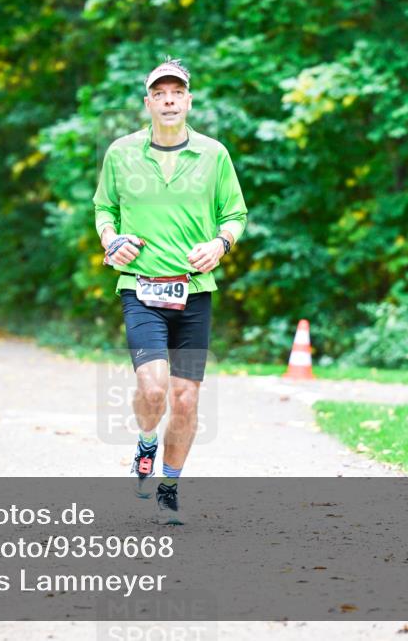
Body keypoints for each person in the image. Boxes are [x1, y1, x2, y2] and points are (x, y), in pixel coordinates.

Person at [93, 58, 248, 524]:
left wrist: (220, 245)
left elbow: (235, 215)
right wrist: (110, 241)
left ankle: (168, 487)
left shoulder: (214, 155)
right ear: (148, 103)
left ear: (188, 100)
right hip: (140, 288)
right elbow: (104, 210)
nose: (168, 100)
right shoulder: (121, 153)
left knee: (185, 399)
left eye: (176, 92)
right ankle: (145, 442)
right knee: (154, 388)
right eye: (159, 93)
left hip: (194, 291)